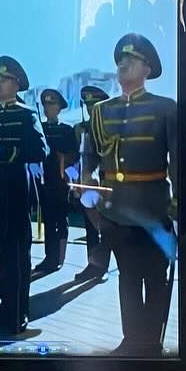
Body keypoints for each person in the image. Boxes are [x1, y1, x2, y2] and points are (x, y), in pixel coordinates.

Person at [81, 34, 177, 353]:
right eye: (121, 60)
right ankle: (132, 340)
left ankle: (150, 342)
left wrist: (179, 205)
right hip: (116, 210)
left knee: (156, 277)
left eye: (132, 60)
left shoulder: (165, 109)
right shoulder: (101, 111)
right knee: (128, 277)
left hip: (153, 209)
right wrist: (89, 191)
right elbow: (89, 159)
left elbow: (178, 163)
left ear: (147, 69)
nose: (123, 64)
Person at [0, 55, 45, 336]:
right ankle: (6, 306)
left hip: (18, 190)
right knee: (3, 254)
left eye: (4, 79)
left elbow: (40, 150)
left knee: (18, 254)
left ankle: (19, 313)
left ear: (16, 84)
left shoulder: (26, 114)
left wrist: (5, 152)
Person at [33, 87, 78, 277]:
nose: (47, 108)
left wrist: (61, 159)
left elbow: (74, 155)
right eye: (45, 105)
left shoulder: (67, 130)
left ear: (59, 108)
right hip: (44, 179)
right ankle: (49, 256)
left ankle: (59, 257)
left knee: (60, 219)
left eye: (51, 105)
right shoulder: (40, 128)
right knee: (48, 220)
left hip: (60, 180)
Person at [72, 82, 111, 284]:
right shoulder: (81, 128)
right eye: (87, 105)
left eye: (94, 105)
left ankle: (104, 266)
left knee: (108, 227)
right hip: (87, 184)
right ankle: (94, 265)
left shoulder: (111, 128)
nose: (90, 109)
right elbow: (77, 157)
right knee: (91, 227)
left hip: (107, 182)